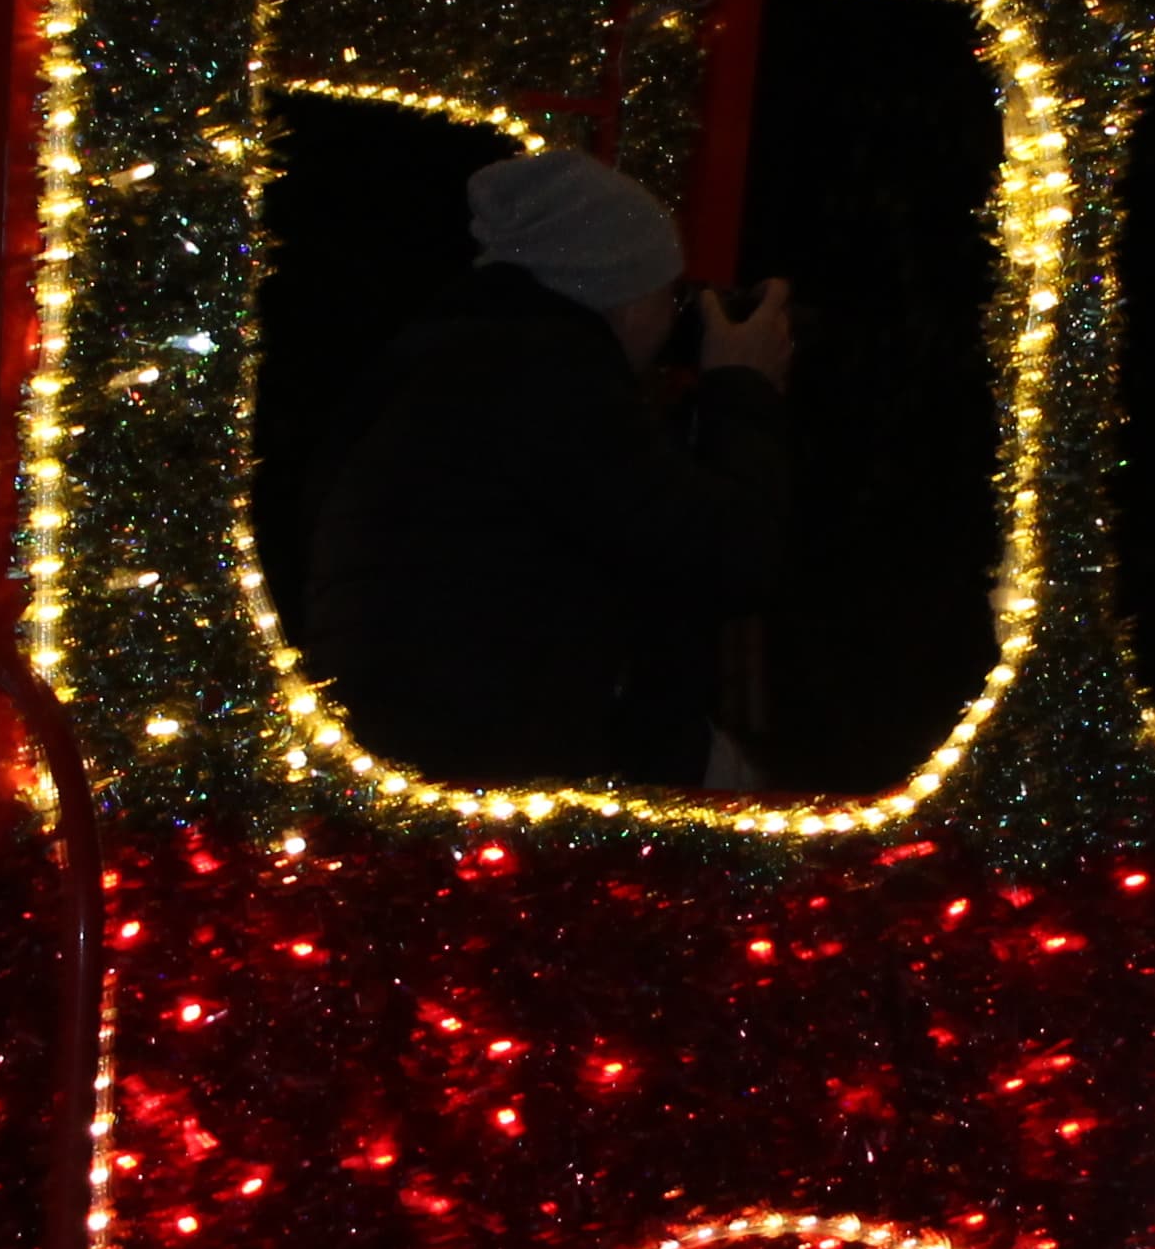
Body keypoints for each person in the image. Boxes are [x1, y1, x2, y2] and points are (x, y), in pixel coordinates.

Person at [305, 147, 792, 790]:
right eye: (670, 293)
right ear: (624, 294)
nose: (676, 317)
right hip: (489, 772)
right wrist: (743, 385)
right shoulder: (546, 378)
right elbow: (734, 556)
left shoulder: (466, 358)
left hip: (435, 750)